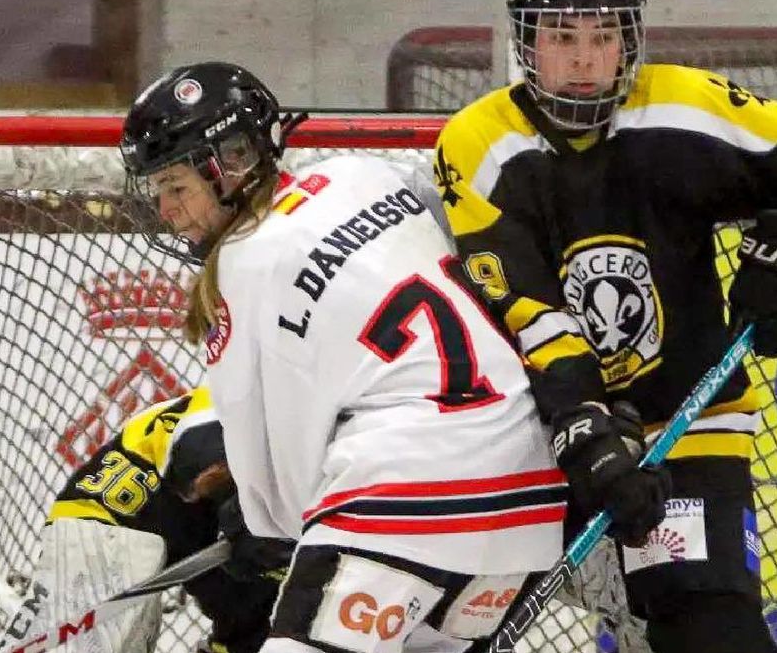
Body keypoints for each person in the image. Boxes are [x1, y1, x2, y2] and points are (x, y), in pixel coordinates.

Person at [432, 0, 777, 653]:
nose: (584, 60)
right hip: (532, 432)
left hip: (686, 416)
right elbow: (531, 315)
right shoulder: (477, 145)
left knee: (714, 634)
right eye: (561, 36)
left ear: (629, 38)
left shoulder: (684, 105)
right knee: (433, 626)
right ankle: (608, 575)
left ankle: (650, 592)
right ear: (526, 42)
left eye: (603, 35)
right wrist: (587, 434)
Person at [118, 61, 670, 653]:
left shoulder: (243, 264)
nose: (166, 211)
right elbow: (485, 264)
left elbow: (279, 478)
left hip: (399, 502)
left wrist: (264, 525)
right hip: (525, 502)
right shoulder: (363, 174)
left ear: (232, 161)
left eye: (176, 187)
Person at [32, 385, 283, 653]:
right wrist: (245, 507)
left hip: (194, 528)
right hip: (109, 517)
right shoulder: (242, 403)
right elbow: (196, 452)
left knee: (261, 616)